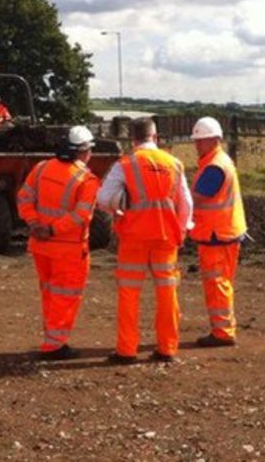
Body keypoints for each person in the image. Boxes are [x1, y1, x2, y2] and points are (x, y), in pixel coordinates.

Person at [96, 117, 193, 364]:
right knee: (167, 292)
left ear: (132, 139)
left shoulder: (125, 164)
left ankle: (127, 350)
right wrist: (180, 231)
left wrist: (118, 208)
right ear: (156, 137)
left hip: (133, 237)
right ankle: (167, 348)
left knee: (129, 293)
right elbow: (186, 203)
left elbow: (104, 198)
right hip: (166, 238)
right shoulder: (174, 163)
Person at [16, 126, 100, 360]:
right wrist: (52, 229)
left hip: (41, 246)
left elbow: (24, 198)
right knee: (65, 296)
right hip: (68, 249)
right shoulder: (86, 179)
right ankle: (55, 345)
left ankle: (51, 339)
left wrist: (34, 224)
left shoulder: (41, 168)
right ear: (83, 152)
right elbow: (81, 216)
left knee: (50, 294)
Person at [188, 117, 246, 347]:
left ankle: (222, 332)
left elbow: (198, 197)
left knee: (217, 284)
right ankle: (224, 328)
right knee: (222, 283)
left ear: (214, 140)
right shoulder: (219, 161)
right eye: (197, 141)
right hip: (225, 231)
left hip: (217, 234)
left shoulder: (214, 167)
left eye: (201, 141)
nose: (197, 145)